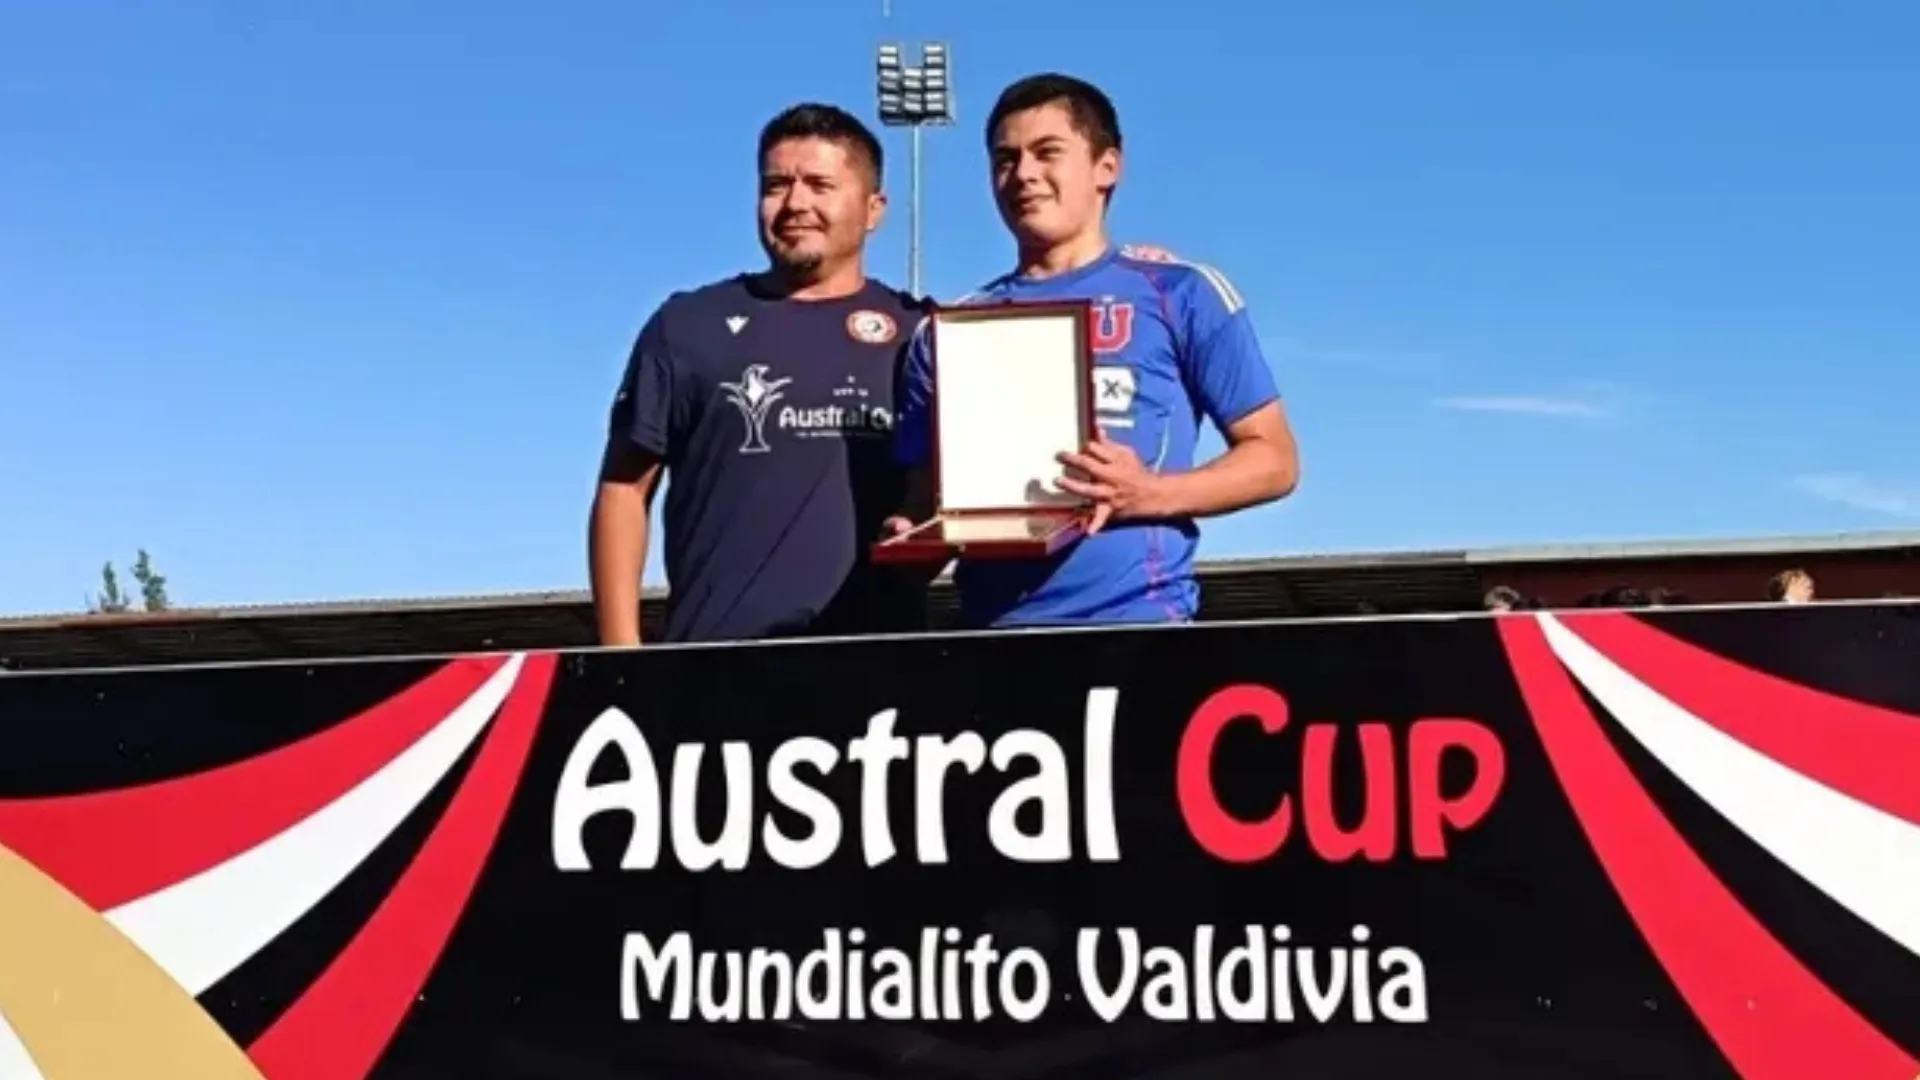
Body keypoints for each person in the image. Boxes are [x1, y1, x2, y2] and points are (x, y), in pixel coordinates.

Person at [886, 73, 1301, 628]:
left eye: (1047, 152)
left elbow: (1275, 460)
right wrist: (912, 537)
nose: (1024, 174)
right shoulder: (948, 330)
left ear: (1107, 166)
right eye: (1005, 159)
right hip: (989, 640)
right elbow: (925, 504)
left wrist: (1149, 493)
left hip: (1139, 627)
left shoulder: (1180, 290)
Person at [589, 103, 928, 645]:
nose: (795, 203)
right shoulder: (686, 325)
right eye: (776, 186)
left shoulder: (923, 335)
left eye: (820, 185)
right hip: (715, 672)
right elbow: (623, 491)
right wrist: (621, 661)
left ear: (873, 209)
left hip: (878, 673)